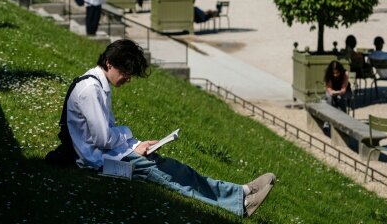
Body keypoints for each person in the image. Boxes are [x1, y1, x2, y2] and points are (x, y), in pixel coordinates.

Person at [66, 40, 276, 217]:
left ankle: (241, 191)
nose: (127, 78)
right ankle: (240, 204)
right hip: (99, 164)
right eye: (125, 72)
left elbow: (105, 135)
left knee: (178, 170)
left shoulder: (98, 86)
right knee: (168, 175)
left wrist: (136, 145)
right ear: (109, 63)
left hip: (110, 156)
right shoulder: (91, 90)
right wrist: (128, 135)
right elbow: (103, 139)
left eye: (130, 74)